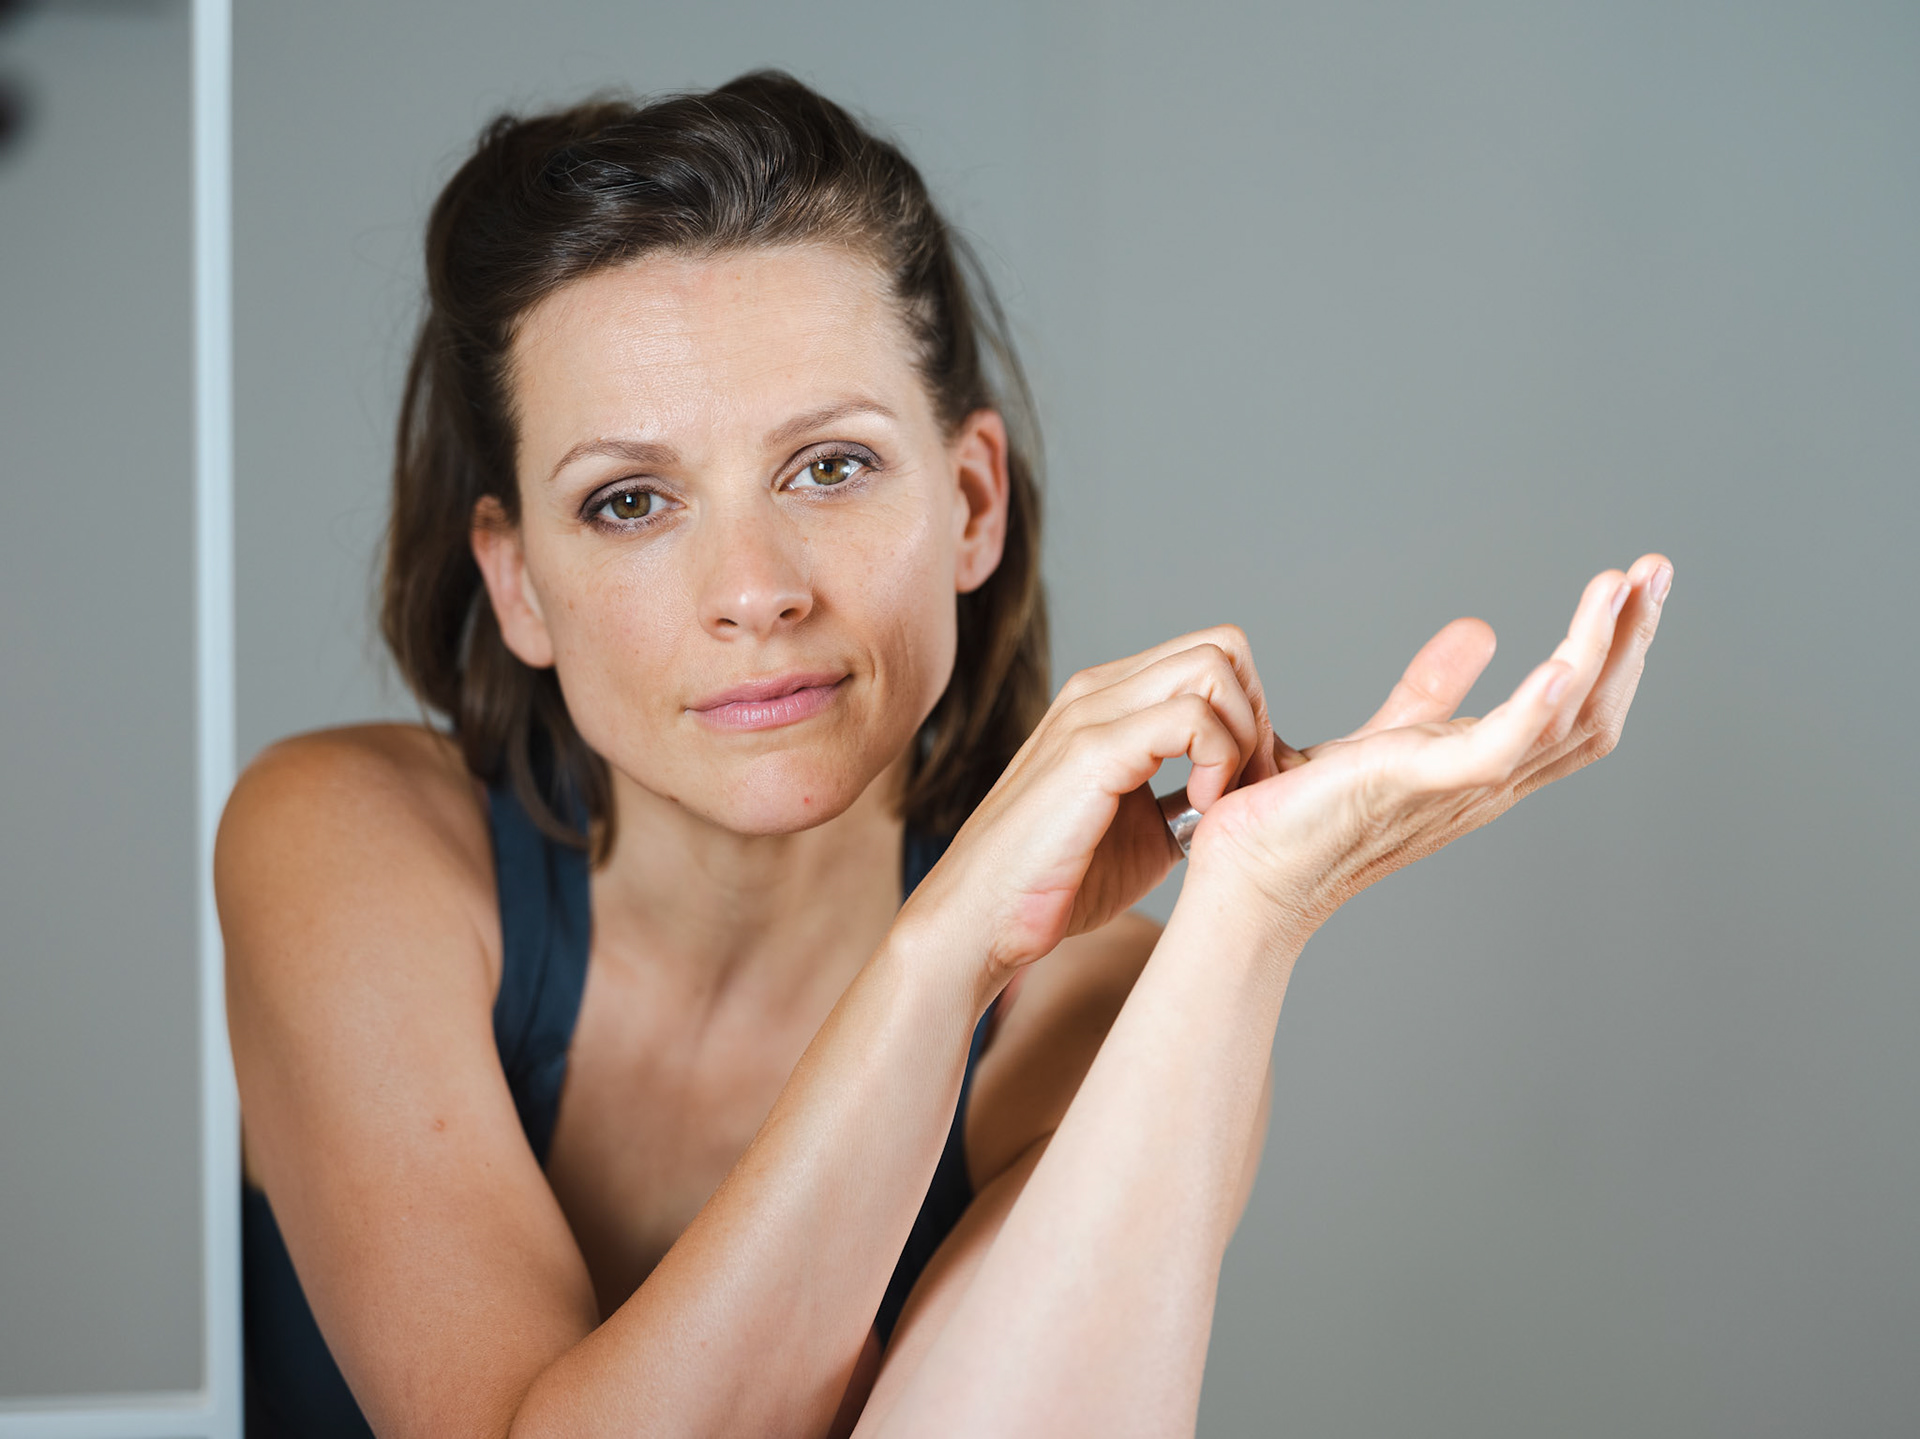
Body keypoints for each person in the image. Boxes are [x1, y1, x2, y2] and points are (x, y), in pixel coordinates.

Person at [217, 70, 1673, 1439]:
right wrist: (942, 948)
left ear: (972, 500)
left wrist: (1251, 914)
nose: (755, 587)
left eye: (830, 467)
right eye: (628, 503)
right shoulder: (348, 847)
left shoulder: (1075, 1024)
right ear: (518, 582)